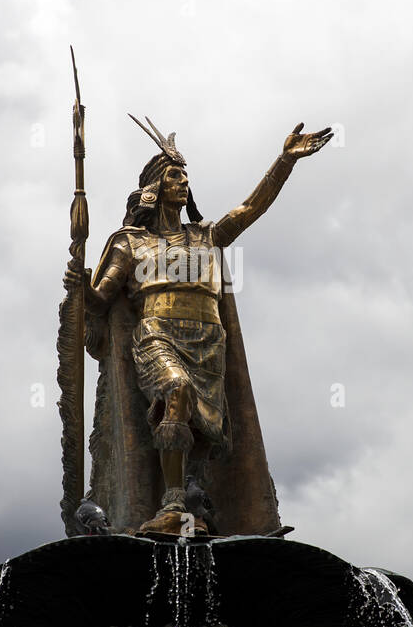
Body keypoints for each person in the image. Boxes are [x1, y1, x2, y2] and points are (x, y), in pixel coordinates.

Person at [73, 117, 331, 535]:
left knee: (202, 428)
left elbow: (249, 210)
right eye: (175, 175)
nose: (183, 183)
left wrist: (284, 161)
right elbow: (101, 299)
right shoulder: (130, 241)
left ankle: (193, 500)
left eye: (185, 177)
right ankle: (173, 504)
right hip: (156, 335)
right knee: (175, 390)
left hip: (209, 340)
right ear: (154, 187)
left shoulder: (206, 236)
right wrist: (82, 285)